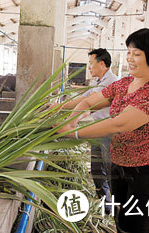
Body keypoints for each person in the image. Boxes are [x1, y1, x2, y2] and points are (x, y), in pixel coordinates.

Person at [56, 28, 149, 233]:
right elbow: (90, 101)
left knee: (136, 225)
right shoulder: (125, 83)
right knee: (120, 217)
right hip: (120, 162)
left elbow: (119, 124)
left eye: (136, 54)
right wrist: (73, 118)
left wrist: (74, 133)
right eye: (128, 52)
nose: (130, 58)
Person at [51, 48, 118, 211]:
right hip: (98, 130)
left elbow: (87, 100)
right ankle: (105, 206)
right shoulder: (98, 81)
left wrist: (68, 119)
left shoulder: (112, 82)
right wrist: (60, 108)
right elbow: (84, 101)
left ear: (102, 64)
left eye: (90, 63)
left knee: (111, 172)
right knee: (96, 169)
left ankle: (118, 208)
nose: (89, 67)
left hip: (110, 133)